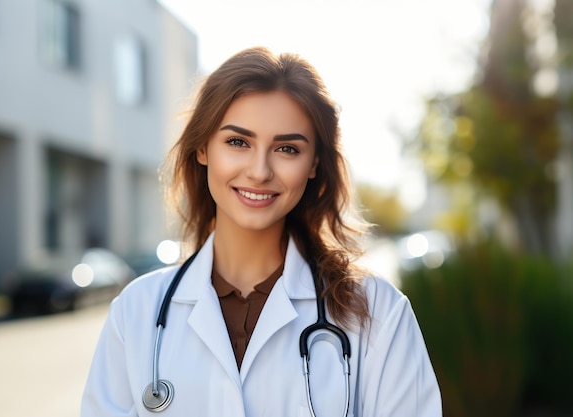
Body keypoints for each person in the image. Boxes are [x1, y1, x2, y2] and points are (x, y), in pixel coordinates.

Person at [81, 46, 442, 417]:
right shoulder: (137, 311)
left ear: (314, 163)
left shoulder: (380, 314)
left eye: (287, 149)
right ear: (203, 148)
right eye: (238, 142)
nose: (259, 171)